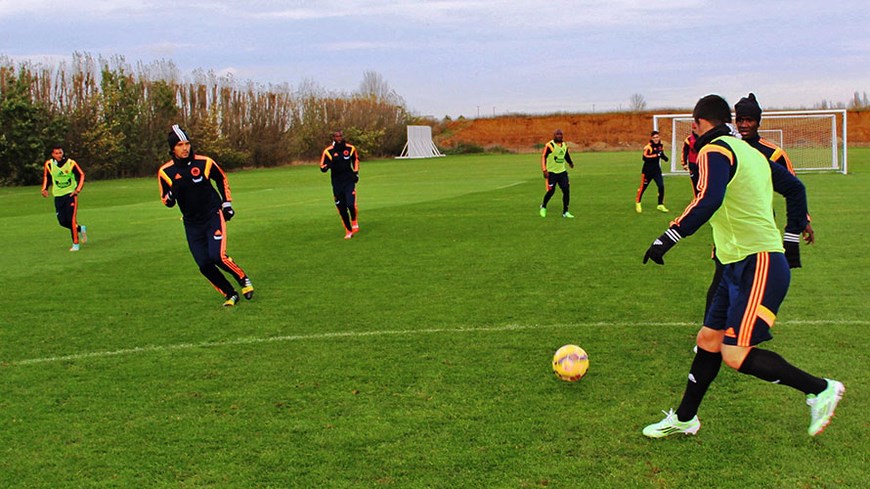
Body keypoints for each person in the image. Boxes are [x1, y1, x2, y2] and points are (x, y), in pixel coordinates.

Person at [641, 94, 844, 438]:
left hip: (758, 261)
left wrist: (669, 236)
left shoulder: (713, 150)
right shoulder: (751, 153)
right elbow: (795, 187)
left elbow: (708, 199)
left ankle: (820, 388)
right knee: (708, 339)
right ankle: (686, 418)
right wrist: (792, 237)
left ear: (698, 123)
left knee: (735, 354)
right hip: (737, 263)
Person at [157, 124, 254, 307]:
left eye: (187, 143)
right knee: (203, 264)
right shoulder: (166, 172)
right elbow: (167, 202)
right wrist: (173, 192)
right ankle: (230, 293)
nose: (185, 148)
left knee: (217, 256)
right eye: (180, 145)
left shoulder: (204, 163)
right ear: (172, 148)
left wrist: (227, 204)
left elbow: (221, 178)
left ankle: (242, 278)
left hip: (212, 215)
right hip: (192, 223)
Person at [41, 145, 87, 251]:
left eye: (60, 153)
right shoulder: (49, 164)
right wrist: (44, 189)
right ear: (53, 154)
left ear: (63, 153)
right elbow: (47, 177)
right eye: (56, 153)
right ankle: (80, 228)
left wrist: (77, 190)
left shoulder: (71, 163)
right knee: (62, 221)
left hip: (70, 195)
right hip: (58, 195)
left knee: (71, 219)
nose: (59, 155)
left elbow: (81, 175)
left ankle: (75, 244)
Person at [320, 130, 360, 239]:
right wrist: (329, 165)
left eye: (340, 136)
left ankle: (354, 221)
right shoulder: (328, 151)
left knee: (350, 205)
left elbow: (355, 160)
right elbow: (322, 167)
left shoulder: (350, 148)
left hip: (348, 181)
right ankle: (348, 230)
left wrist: (356, 173)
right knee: (342, 208)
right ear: (333, 137)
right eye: (336, 136)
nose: (339, 138)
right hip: (337, 183)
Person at [539, 129, 575, 218]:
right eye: (557, 134)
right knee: (551, 191)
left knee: (566, 191)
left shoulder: (564, 145)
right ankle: (543, 206)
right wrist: (544, 170)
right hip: (552, 173)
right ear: (554, 135)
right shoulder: (550, 145)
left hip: (562, 172)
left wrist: (570, 162)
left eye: (560, 134)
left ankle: (565, 212)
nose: (559, 136)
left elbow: (566, 155)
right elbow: (543, 157)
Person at [635, 130, 669, 213]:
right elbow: (645, 158)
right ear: (651, 138)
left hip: (656, 170)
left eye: (657, 137)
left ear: (659, 137)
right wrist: (656, 155)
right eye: (654, 138)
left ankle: (660, 204)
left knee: (661, 186)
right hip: (647, 171)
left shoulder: (660, 146)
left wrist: (665, 158)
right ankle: (638, 202)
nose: (656, 139)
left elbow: (661, 154)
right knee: (643, 188)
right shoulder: (648, 147)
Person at [680, 128, 700, 197]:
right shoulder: (688, 139)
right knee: (695, 181)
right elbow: (685, 151)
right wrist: (684, 163)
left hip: (703, 163)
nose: (696, 129)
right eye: (695, 128)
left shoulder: (705, 137)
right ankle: (697, 197)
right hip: (693, 164)